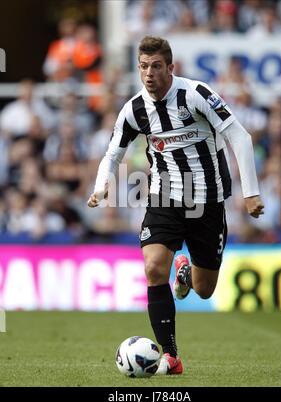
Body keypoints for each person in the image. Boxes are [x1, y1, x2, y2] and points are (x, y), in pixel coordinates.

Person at [87, 36, 264, 375]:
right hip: (164, 198)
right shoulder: (134, 109)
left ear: (170, 67)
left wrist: (250, 193)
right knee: (153, 268)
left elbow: (239, 136)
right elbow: (113, 154)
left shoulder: (195, 94)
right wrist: (100, 187)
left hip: (208, 203)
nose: (149, 73)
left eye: (156, 66)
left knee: (203, 288)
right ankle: (170, 356)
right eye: (143, 67)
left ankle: (185, 271)